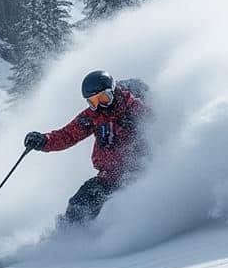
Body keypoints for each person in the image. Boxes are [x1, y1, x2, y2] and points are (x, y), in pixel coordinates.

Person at [23, 70, 149, 227]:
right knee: (79, 203)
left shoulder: (134, 108)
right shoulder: (92, 116)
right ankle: (68, 235)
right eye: (94, 102)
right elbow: (68, 135)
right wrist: (43, 141)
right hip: (108, 177)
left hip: (137, 173)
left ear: (113, 91)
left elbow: (160, 130)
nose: (100, 106)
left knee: (121, 206)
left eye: (104, 98)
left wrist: (136, 126)